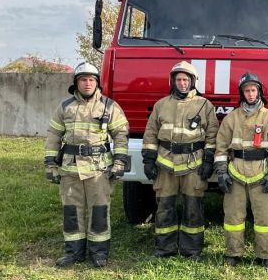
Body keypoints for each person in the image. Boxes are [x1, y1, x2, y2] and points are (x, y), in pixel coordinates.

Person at [44, 62, 129, 268]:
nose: (88, 83)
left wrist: (119, 162)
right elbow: (54, 135)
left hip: (99, 170)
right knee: (72, 211)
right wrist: (50, 164)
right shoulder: (65, 107)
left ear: (97, 83)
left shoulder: (109, 106)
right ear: (76, 83)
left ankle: (99, 252)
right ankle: (74, 253)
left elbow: (120, 135)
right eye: (83, 80)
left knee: (99, 211)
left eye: (91, 80)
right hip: (70, 169)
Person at [142, 61, 219, 260]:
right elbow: (151, 133)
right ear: (173, 81)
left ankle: (192, 250)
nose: (182, 83)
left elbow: (212, 136)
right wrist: (149, 159)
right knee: (164, 207)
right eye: (178, 79)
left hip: (194, 165)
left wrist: (209, 161)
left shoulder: (204, 105)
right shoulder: (161, 105)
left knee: (193, 208)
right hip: (165, 164)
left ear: (193, 82)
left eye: (186, 79)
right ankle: (164, 249)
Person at [214, 73, 268, 269]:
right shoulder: (232, 118)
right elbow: (221, 146)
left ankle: (266, 256)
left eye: (254, 90)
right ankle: (233, 253)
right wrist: (221, 172)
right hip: (235, 173)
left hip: (261, 174)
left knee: (265, 217)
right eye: (247, 90)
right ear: (242, 93)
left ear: (259, 92)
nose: (251, 94)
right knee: (233, 217)